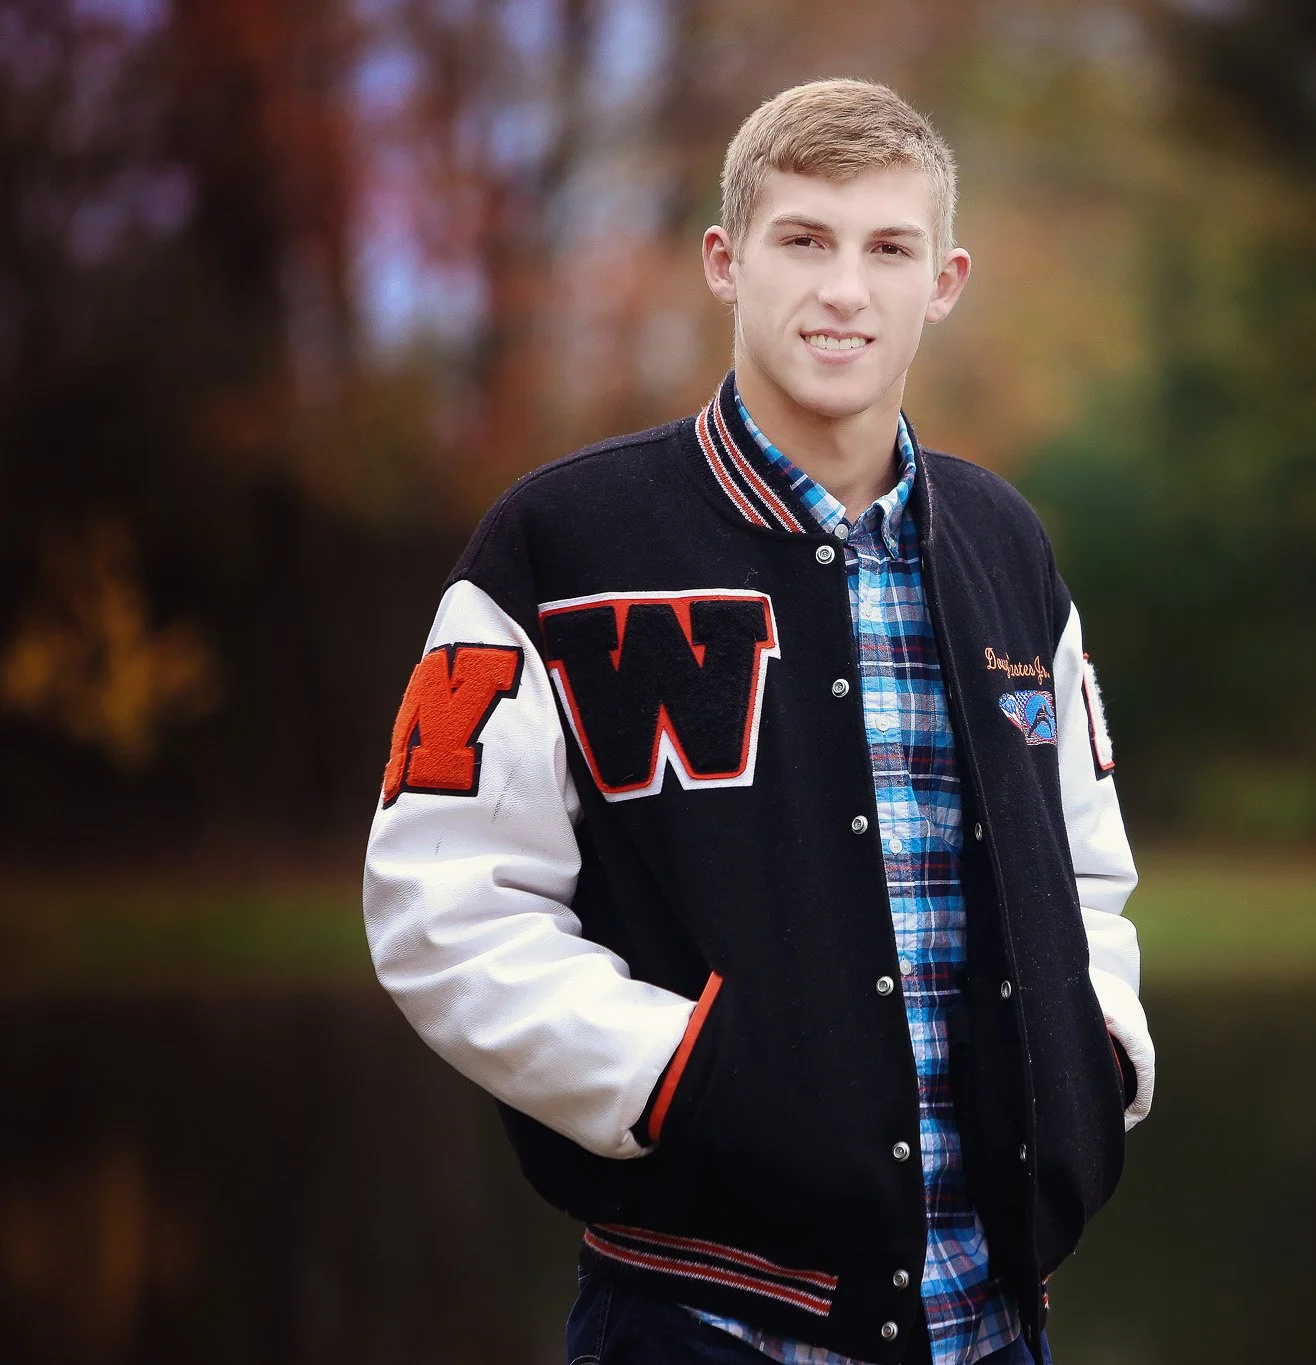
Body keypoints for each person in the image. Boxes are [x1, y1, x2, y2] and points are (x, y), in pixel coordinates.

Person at [362, 78, 1153, 1365]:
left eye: (887, 248)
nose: (844, 290)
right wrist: (680, 1078)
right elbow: (439, 904)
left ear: (943, 281)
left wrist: (1095, 1054)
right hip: (701, 1324)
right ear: (726, 262)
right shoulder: (559, 545)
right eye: (803, 240)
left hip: (996, 1320)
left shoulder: (1007, 543)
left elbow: (1087, 873)